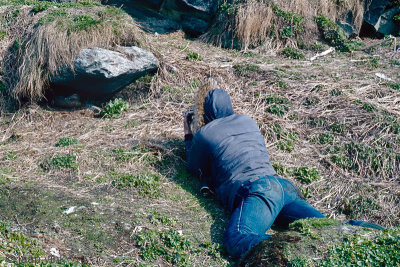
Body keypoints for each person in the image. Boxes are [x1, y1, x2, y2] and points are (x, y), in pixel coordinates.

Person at [184, 88, 325, 259]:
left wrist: (188, 134)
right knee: (328, 227)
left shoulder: (206, 133)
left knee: (237, 239)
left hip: (259, 191)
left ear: (205, 113)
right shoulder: (247, 120)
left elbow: (193, 167)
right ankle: (363, 230)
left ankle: (295, 252)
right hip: (283, 187)